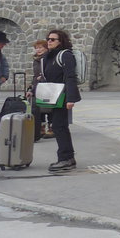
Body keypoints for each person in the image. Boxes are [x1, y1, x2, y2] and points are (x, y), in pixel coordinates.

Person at [38, 29, 81, 172]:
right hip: (52, 96)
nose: (49, 41)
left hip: (62, 97)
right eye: (48, 39)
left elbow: (70, 77)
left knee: (59, 127)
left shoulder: (65, 55)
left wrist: (71, 99)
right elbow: (46, 77)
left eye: (52, 39)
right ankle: (67, 158)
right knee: (58, 127)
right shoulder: (47, 57)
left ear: (60, 42)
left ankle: (66, 159)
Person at [27, 39, 54, 141]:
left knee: (50, 107)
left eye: (40, 47)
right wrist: (31, 88)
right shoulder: (36, 60)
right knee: (40, 108)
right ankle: (41, 127)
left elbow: (51, 71)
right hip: (39, 86)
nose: (38, 50)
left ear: (46, 48)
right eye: (36, 48)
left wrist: (43, 76)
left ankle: (51, 127)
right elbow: (35, 75)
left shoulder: (50, 58)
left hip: (49, 85)